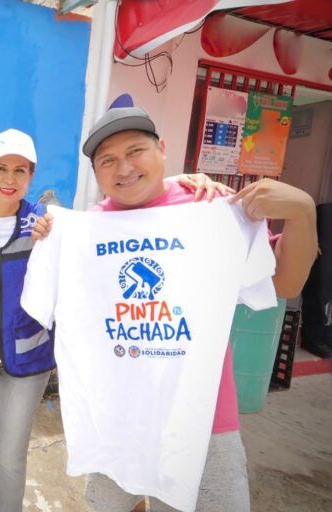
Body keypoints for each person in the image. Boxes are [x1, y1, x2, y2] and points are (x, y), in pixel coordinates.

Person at [0, 128, 224, 512]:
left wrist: (172, 183)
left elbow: (113, 221)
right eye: (0, 169)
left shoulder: (47, 222)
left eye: (21, 171)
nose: (9, 179)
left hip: (28, 356)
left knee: (10, 449)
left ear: (31, 177)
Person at [29, 107, 317, 512]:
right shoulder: (83, 229)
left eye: (135, 151)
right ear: (96, 173)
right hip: (115, 417)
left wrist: (304, 211)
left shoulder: (209, 206)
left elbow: (286, 285)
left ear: (162, 150)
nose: (123, 168)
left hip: (200, 421)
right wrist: (49, 237)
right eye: (107, 161)